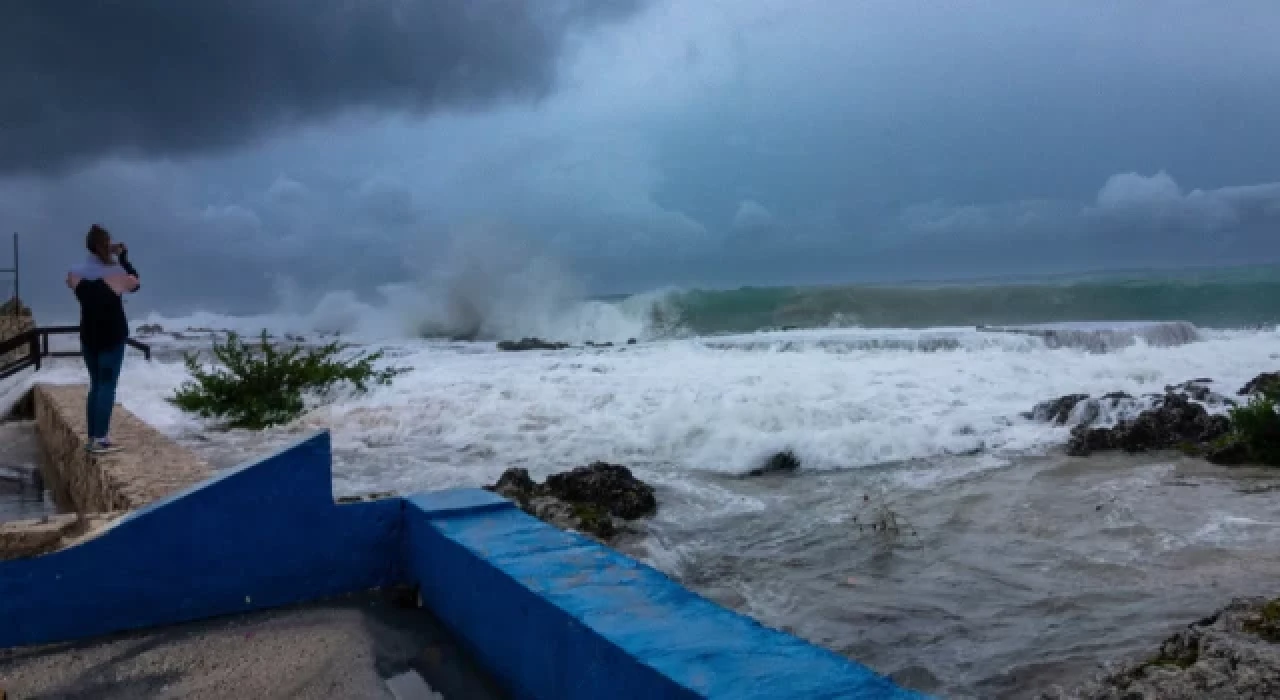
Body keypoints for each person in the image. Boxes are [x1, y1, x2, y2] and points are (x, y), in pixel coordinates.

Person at [65, 224, 140, 454]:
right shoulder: (116, 273)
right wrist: (123, 257)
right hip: (112, 336)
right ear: (104, 245)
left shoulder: (75, 273)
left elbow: (75, 283)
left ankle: (92, 438)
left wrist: (108, 254)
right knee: (107, 386)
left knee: (96, 386)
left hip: (88, 336)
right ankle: (100, 439)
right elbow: (135, 283)